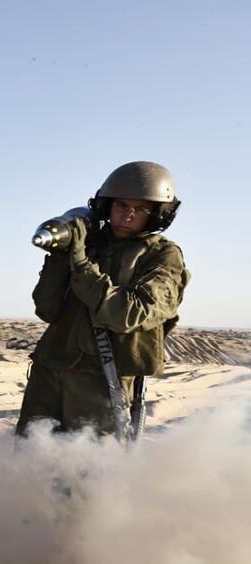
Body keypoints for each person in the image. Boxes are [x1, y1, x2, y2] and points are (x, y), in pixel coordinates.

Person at [17, 161, 190, 437]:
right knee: (31, 459)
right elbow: (46, 308)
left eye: (140, 209)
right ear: (107, 204)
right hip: (50, 372)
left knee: (92, 471)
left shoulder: (163, 256)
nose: (128, 216)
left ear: (158, 214)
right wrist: (62, 258)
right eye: (121, 205)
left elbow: (128, 314)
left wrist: (83, 267)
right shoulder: (87, 243)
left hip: (104, 382)